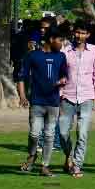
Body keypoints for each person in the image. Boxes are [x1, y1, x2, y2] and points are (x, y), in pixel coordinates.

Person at [18, 26, 70, 175]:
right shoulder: (33, 56)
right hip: (37, 102)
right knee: (34, 134)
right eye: (60, 40)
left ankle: (45, 166)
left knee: (49, 135)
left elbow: (65, 76)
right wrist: (22, 96)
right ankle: (32, 155)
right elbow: (21, 77)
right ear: (51, 39)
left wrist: (61, 81)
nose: (62, 43)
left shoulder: (61, 57)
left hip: (53, 103)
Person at [58, 22, 95, 177]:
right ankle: (69, 157)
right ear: (73, 33)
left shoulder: (94, 51)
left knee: (82, 134)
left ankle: (77, 165)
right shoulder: (65, 51)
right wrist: (60, 91)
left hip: (87, 96)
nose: (79, 36)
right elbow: (60, 72)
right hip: (67, 96)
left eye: (83, 33)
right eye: (77, 32)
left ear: (88, 35)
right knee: (63, 132)